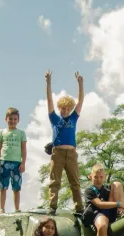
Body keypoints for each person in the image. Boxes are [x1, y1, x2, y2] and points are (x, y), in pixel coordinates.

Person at [45, 69, 84, 214]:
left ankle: (79, 207)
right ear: (59, 108)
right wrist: (48, 82)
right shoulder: (55, 119)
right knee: (55, 181)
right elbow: (49, 100)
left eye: (68, 108)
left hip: (71, 152)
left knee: (75, 182)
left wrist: (80, 84)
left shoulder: (73, 118)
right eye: (63, 108)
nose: (66, 111)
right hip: (58, 152)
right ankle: (52, 206)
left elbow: (81, 101)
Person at [0, 107, 27, 214]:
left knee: (16, 188)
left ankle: (17, 209)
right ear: (6, 119)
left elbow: (23, 149)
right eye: (10, 119)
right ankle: (2, 208)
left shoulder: (21, 133)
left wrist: (23, 163)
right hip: (4, 162)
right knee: (3, 187)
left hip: (16, 163)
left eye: (15, 119)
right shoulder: (1, 132)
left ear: (18, 120)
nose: (12, 121)